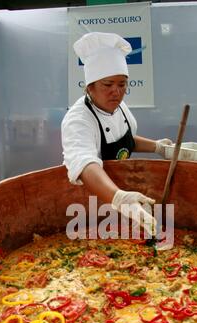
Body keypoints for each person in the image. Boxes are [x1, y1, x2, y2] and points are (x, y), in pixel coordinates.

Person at [61, 32, 172, 236]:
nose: (116, 92)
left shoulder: (118, 107)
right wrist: (119, 198)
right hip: (92, 205)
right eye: (107, 85)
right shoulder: (78, 120)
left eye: (122, 84)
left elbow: (125, 141)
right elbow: (85, 164)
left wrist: (158, 147)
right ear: (90, 87)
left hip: (123, 192)